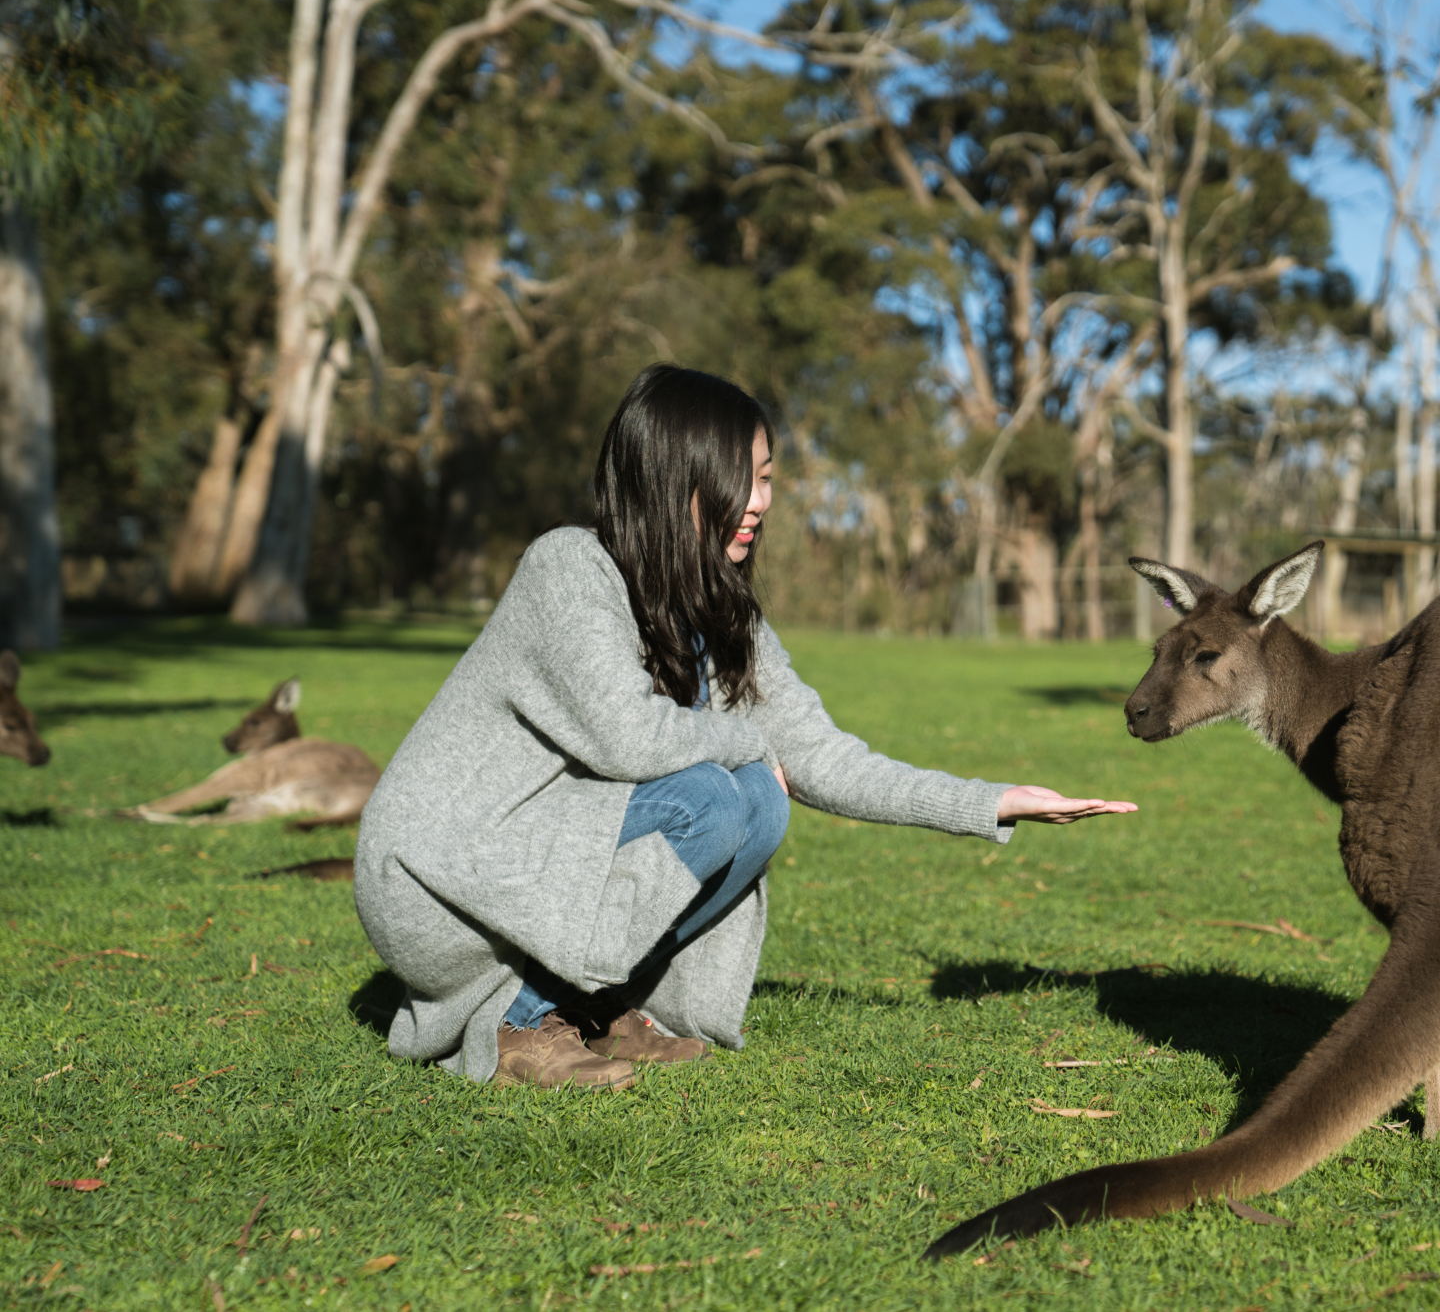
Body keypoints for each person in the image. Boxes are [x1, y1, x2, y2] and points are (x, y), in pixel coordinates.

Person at [354, 365, 1134, 1090]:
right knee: (716, 798)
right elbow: (630, 739)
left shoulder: (719, 611)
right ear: (675, 477)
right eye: (744, 479)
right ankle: (522, 1023)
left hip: (535, 873)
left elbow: (821, 755)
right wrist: (750, 743)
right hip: (438, 877)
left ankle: (585, 1007)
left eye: (767, 480)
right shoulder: (570, 567)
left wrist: (990, 801)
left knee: (760, 802)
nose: (761, 500)